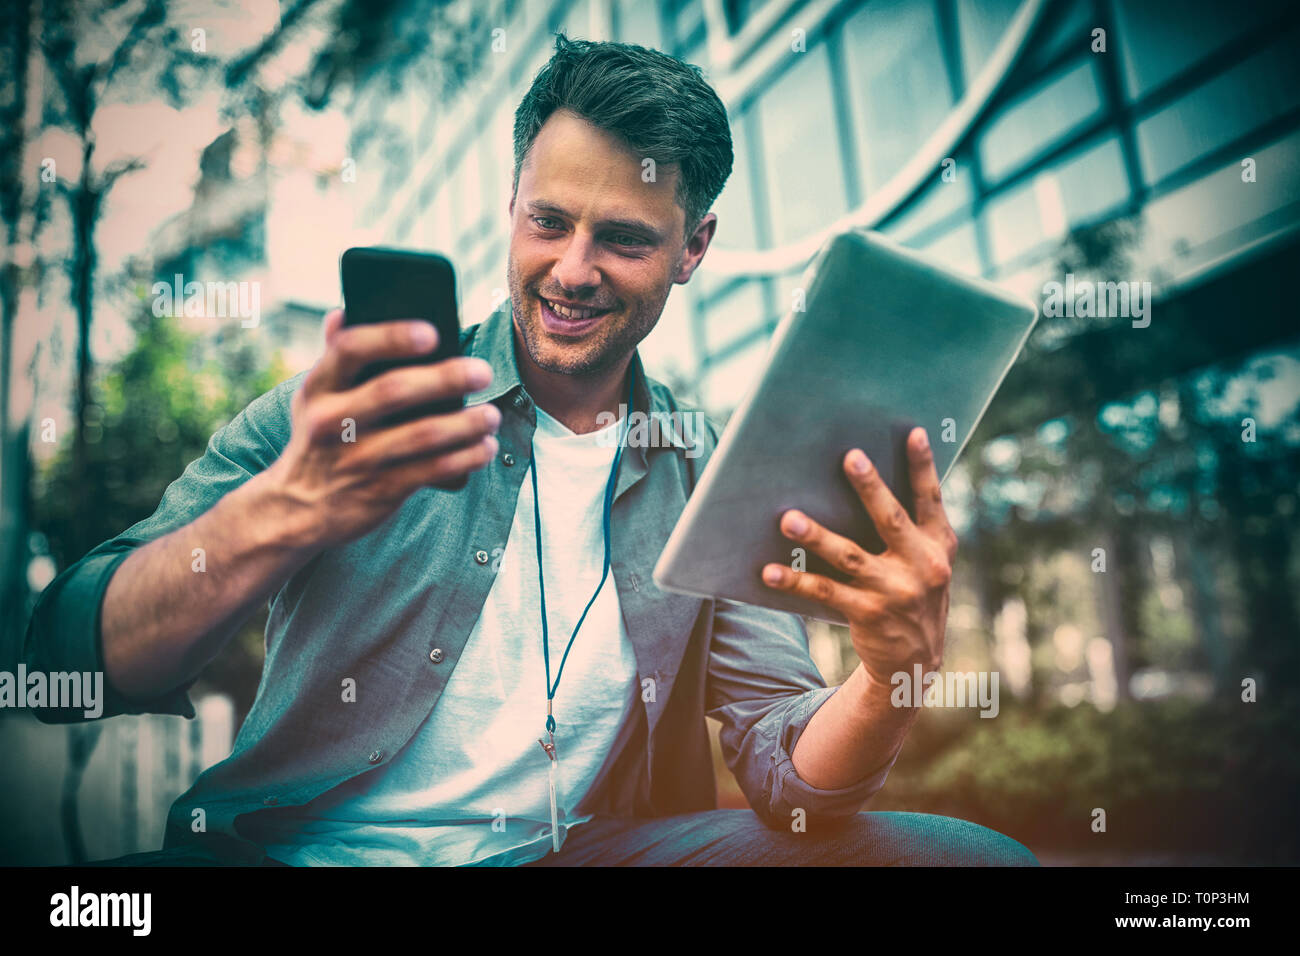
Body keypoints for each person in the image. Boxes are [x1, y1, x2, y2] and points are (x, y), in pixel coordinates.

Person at [26, 34, 1036, 867]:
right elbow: (69, 656)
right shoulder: (342, 414)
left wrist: (886, 675)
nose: (573, 269)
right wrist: (285, 510)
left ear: (693, 249)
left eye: (625, 238)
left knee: (973, 860)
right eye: (547, 221)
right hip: (290, 853)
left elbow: (789, 778)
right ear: (512, 205)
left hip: (574, 853)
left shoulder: (705, 469)